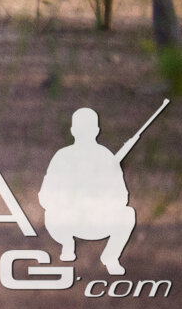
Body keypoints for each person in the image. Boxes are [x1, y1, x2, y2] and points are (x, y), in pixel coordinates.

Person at [42, 108, 138, 275]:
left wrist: (100, 196)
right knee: (50, 213)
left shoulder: (106, 157)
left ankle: (110, 257)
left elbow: (122, 198)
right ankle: (67, 244)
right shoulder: (62, 156)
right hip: (67, 222)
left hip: (98, 221)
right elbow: (46, 196)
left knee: (128, 214)